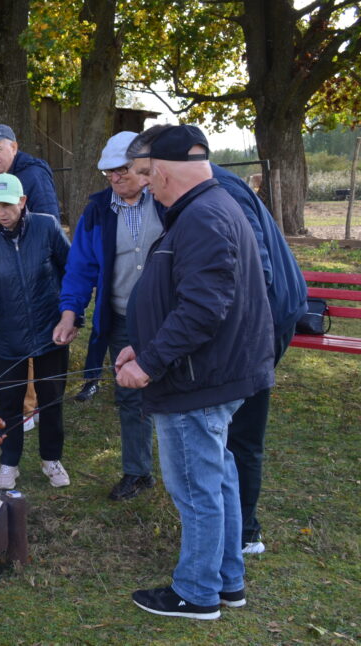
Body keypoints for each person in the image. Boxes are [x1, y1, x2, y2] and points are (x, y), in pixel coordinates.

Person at [115, 125, 274, 620]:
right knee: (218, 479)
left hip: (194, 380)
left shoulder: (203, 216)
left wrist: (149, 362)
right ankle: (227, 581)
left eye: (147, 175)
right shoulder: (212, 206)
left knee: (196, 488)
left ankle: (198, 593)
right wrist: (138, 347)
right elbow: (186, 298)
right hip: (210, 373)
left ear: (162, 171)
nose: (146, 186)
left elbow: (203, 310)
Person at [53, 132, 166, 501]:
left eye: (122, 171)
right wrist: (69, 314)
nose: (115, 179)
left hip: (169, 319)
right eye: (109, 173)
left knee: (179, 393)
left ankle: (189, 475)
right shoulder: (97, 211)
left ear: (142, 166)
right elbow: (80, 268)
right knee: (130, 396)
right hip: (120, 320)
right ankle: (138, 471)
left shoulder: (168, 201)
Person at [212, 163, 307, 555]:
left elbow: (258, 270)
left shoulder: (222, 194)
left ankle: (244, 532)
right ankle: (230, 520)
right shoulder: (208, 189)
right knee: (227, 425)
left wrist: (242, 339)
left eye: (143, 173)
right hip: (255, 319)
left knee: (242, 430)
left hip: (264, 319)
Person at [0, 174, 71, 490]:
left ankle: (51, 459)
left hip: (50, 333)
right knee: (9, 405)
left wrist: (70, 317)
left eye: (7, 205)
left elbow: (71, 269)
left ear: (22, 202)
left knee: (50, 401)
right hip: (7, 337)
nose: (1, 212)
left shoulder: (47, 227)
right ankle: (9, 463)